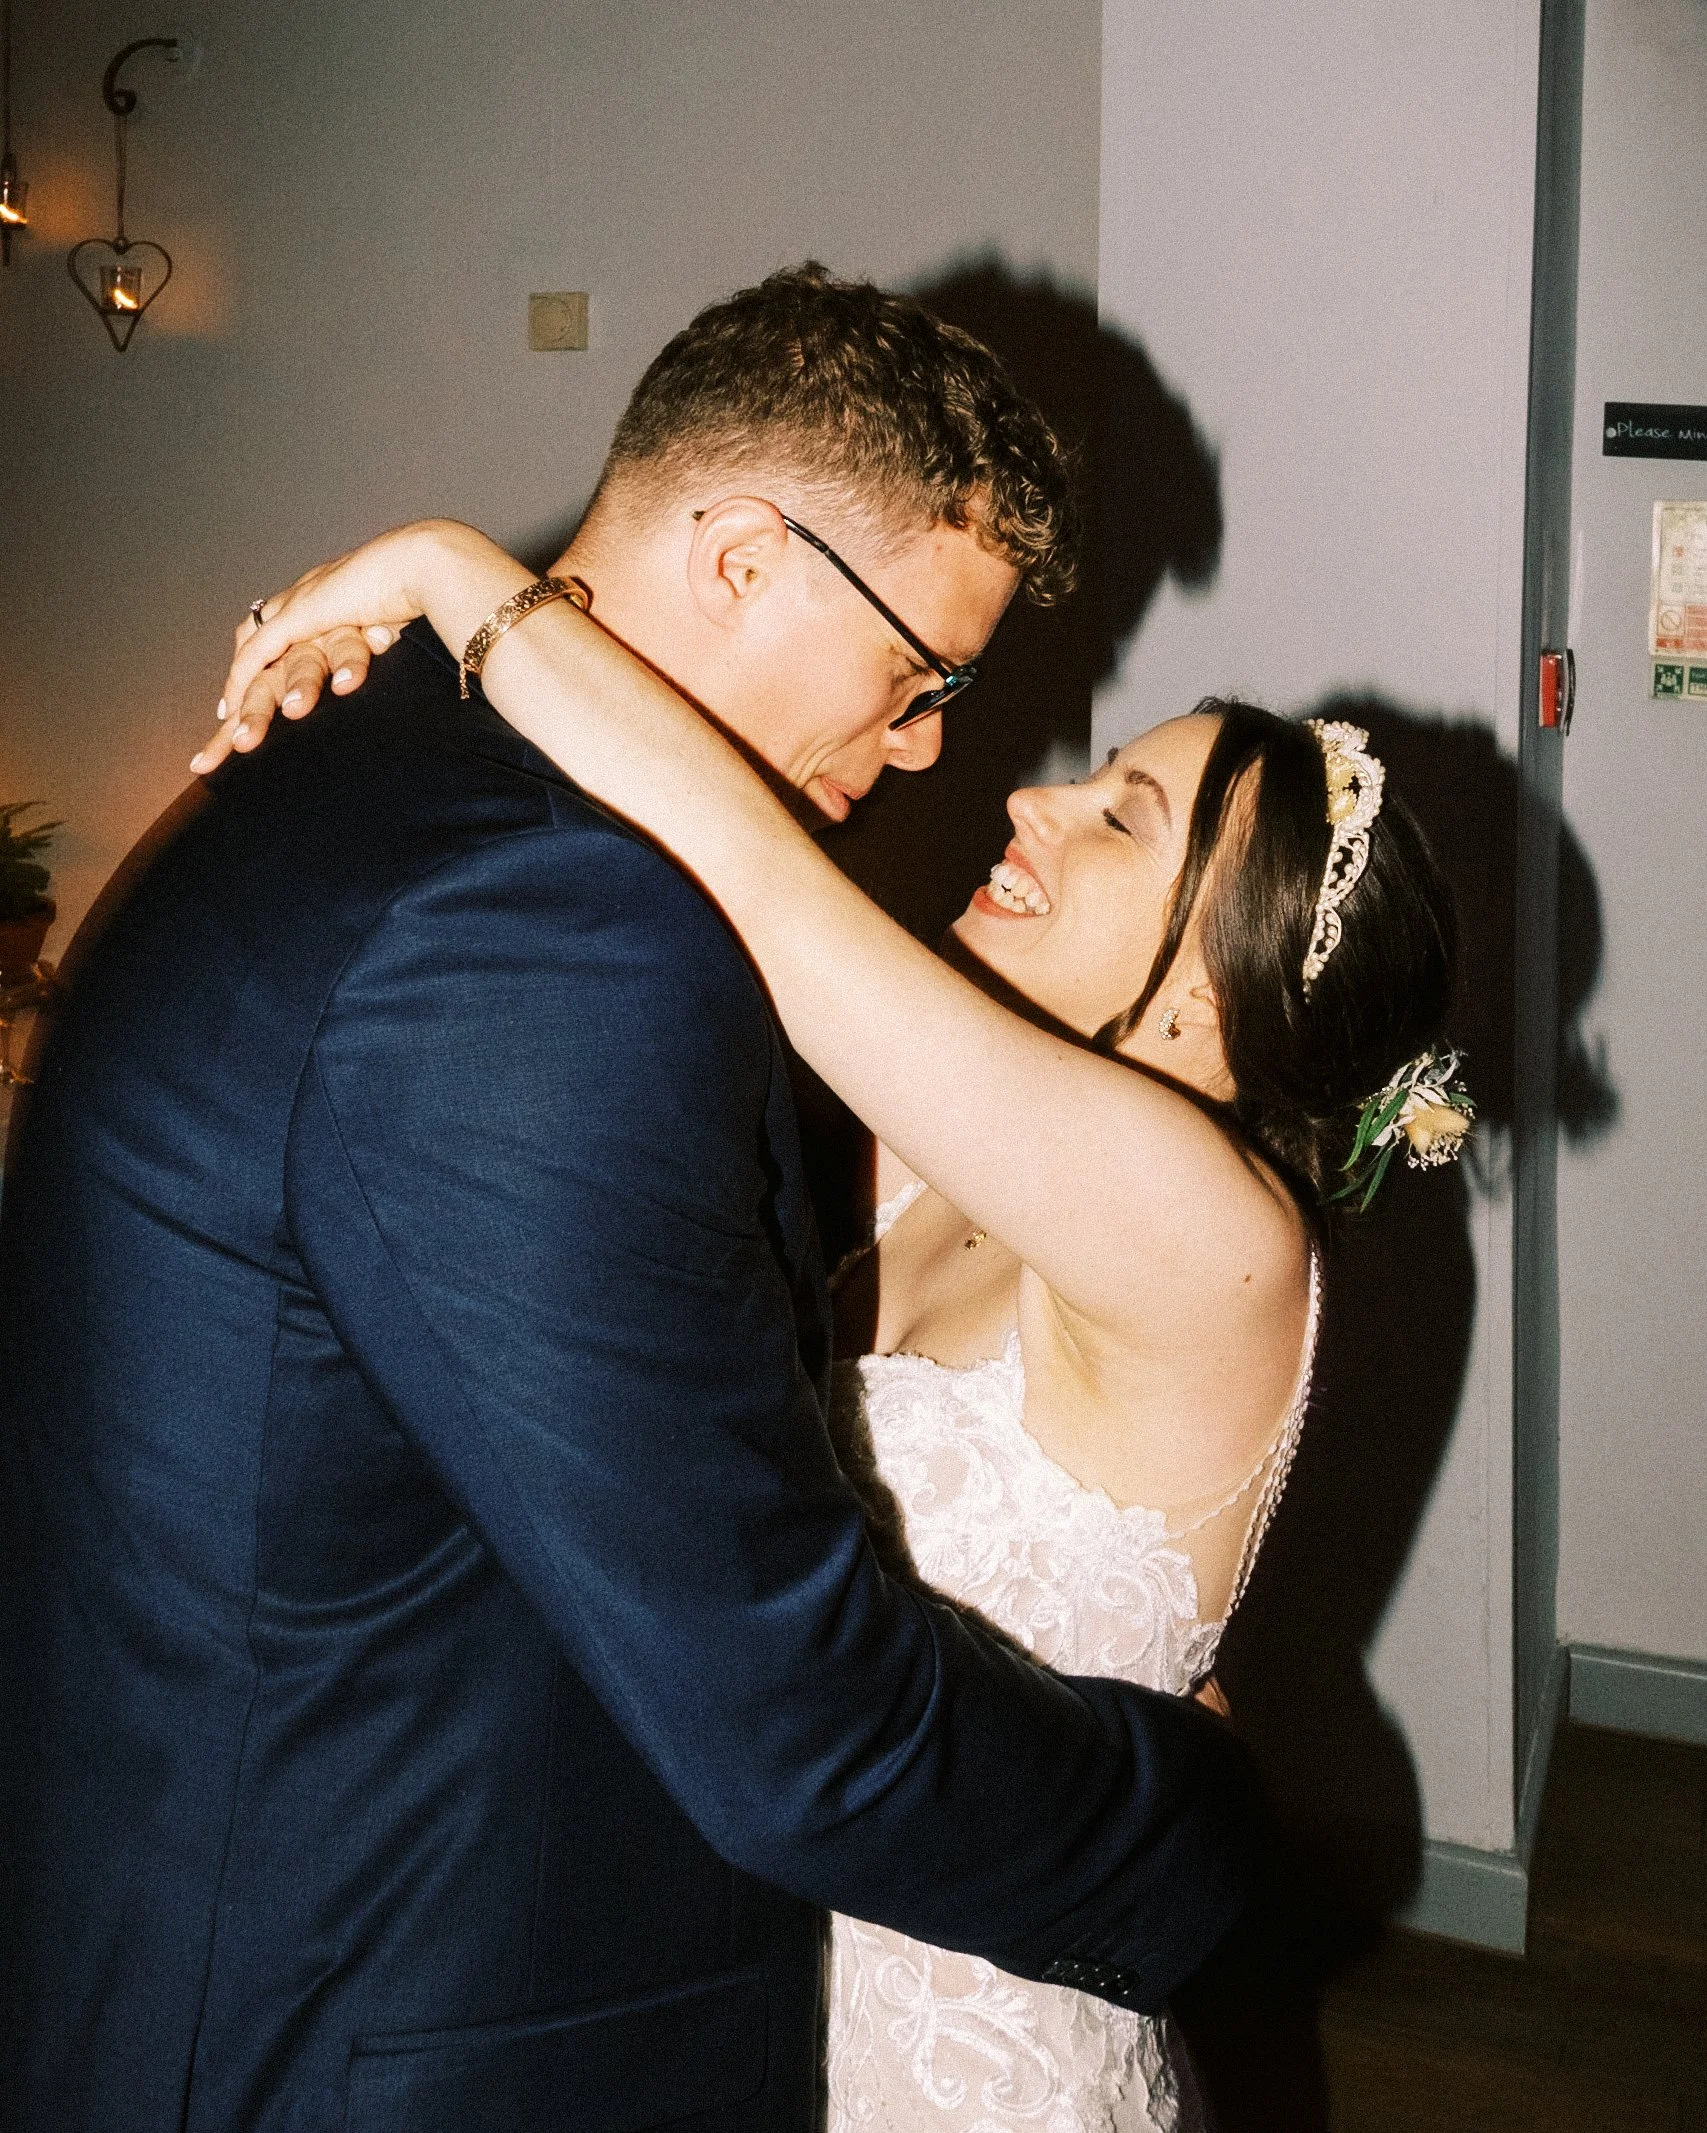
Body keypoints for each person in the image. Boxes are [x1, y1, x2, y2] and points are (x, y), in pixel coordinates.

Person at [0, 268, 1265, 2133]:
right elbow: (792, 1720)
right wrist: (1193, 1830)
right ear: (744, 557)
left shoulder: (381, 753)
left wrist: (455, 569)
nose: (931, 745)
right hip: (382, 2015)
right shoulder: (541, 932)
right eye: (919, 676)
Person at [198, 487, 1469, 2130]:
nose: (1030, 799)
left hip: (961, 2047)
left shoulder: (1219, 1236)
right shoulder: (910, 1155)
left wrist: (452, 574)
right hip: (744, 1986)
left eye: (1119, 819)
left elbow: (757, 885)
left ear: (1215, 998)